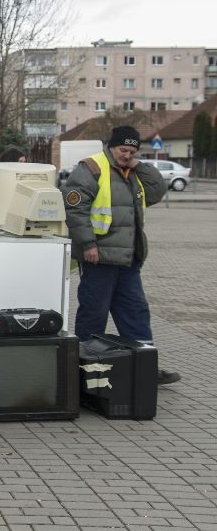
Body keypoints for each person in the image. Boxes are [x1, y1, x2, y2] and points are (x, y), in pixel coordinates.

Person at [62, 125, 180, 384]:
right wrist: (88, 244)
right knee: (94, 313)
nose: (127, 155)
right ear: (111, 146)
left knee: (136, 312)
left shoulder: (134, 171)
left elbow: (157, 192)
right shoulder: (91, 167)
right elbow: (75, 209)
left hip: (129, 258)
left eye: (132, 150)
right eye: (123, 150)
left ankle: (146, 366)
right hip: (99, 257)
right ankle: (83, 368)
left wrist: (141, 165)